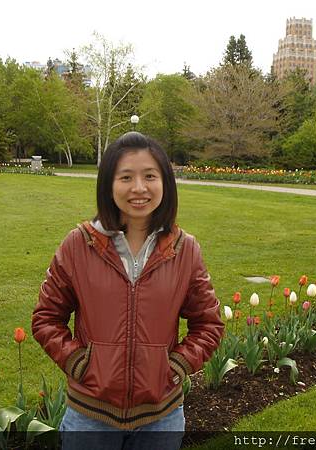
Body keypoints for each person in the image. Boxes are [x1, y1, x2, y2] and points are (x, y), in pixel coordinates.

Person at [32, 132, 224, 449]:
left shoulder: (184, 249)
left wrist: (176, 366)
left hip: (161, 419)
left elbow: (209, 324)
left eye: (150, 176)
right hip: (90, 418)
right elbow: (46, 318)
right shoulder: (79, 244)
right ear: (109, 184)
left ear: (165, 183)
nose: (138, 188)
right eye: (126, 177)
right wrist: (79, 363)